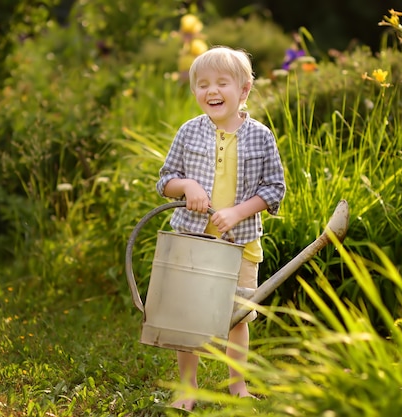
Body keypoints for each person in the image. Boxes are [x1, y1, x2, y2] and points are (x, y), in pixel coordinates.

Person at [156, 45, 286, 411]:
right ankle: (188, 387)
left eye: (222, 84)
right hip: (192, 238)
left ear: (244, 90)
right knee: (187, 317)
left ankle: (237, 385)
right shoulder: (188, 132)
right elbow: (166, 180)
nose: (211, 91)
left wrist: (239, 212)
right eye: (203, 84)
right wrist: (187, 187)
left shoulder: (260, 136)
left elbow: (274, 188)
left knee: (238, 317)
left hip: (241, 242)